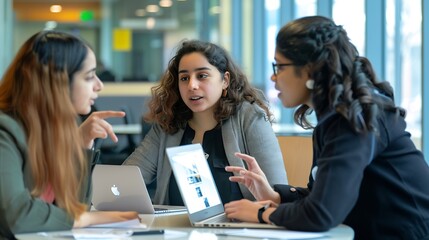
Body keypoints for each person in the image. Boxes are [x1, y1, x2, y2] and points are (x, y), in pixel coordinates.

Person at [223, 16, 429, 239]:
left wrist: (263, 212)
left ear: (311, 69)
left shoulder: (353, 118)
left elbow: (321, 213)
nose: (273, 77)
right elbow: (321, 197)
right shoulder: (336, 117)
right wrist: (275, 197)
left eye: (280, 66)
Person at [0, 30, 138, 237]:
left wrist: (81, 146)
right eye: (89, 76)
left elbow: (75, 205)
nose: (99, 85)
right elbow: (17, 216)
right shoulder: (5, 130)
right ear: (58, 82)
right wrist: (86, 219)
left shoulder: (60, 126)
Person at [123, 39, 287, 205]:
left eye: (202, 76)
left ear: (225, 80)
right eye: (184, 78)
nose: (192, 85)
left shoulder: (250, 117)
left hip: (239, 228)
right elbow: (126, 180)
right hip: (173, 228)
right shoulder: (169, 121)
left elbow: (276, 195)